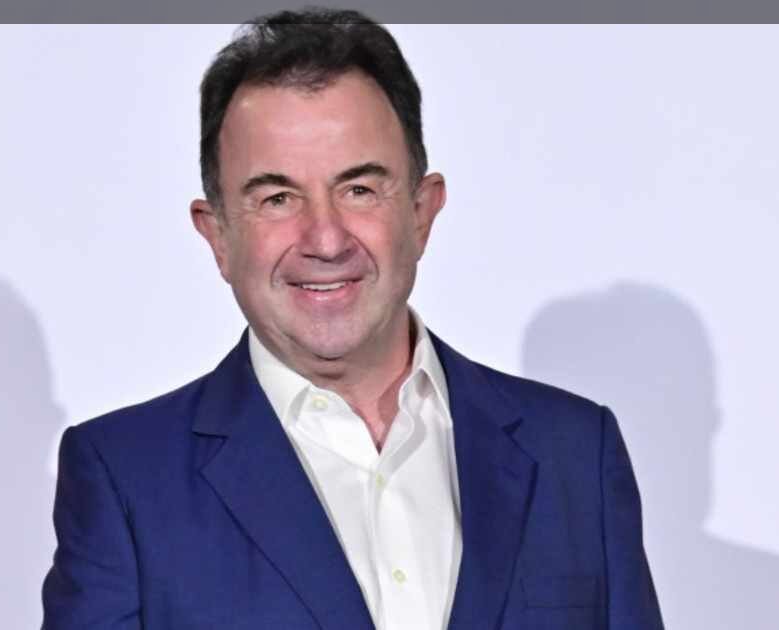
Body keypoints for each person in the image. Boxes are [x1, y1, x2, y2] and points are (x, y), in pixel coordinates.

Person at [41, 9, 663, 630]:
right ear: (218, 236)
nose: (326, 239)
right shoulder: (126, 479)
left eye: (359, 189)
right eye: (277, 198)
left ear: (421, 212)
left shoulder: (575, 453)